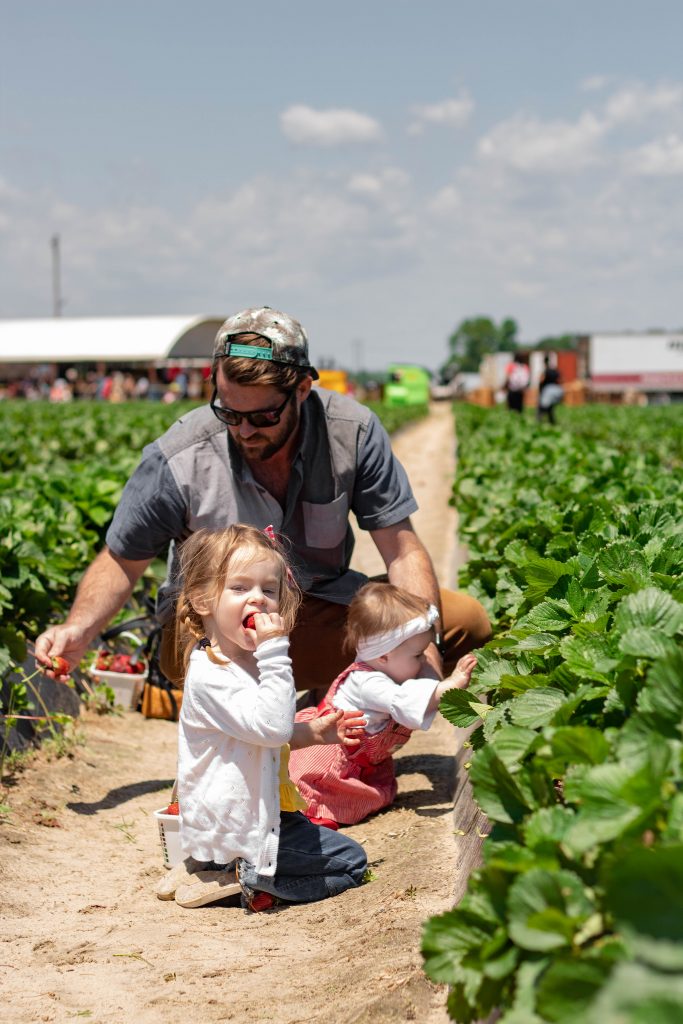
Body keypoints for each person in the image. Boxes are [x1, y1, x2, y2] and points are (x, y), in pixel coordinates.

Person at [35, 306, 491, 700]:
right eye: (229, 413)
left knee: (460, 622)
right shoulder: (178, 458)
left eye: (263, 417)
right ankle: (269, 721)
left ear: (302, 391)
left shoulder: (351, 433)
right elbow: (122, 562)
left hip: (313, 611)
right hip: (213, 630)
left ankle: (335, 699)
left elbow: (401, 547)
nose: (245, 430)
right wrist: (79, 628)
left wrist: (423, 644)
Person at [159, 523, 368, 912]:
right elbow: (270, 729)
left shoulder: (232, 662)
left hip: (231, 821)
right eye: (240, 588)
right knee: (353, 863)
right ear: (203, 600)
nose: (258, 600)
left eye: (268, 590)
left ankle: (205, 867)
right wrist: (275, 652)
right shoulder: (215, 675)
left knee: (314, 839)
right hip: (242, 829)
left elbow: (261, 736)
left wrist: (314, 733)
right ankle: (247, 879)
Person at [289, 582, 476, 829]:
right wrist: (451, 684)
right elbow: (407, 701)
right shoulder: (367, 682)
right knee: (319, 794)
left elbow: (418, 689)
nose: (424, 662)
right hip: (334, 755)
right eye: (418, 655)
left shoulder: (386, 668)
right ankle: (309, 814)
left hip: (360, 758)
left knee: (364, 794)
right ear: (384, 656)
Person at [537, 355, 563, 425]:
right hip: (557, 390)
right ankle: (552, 422)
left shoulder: (545, 371)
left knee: (542, 408)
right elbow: (560, 380)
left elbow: (541, 380)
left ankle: (538, 422)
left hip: (548, 391)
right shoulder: (555, 370)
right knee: (550, 409)